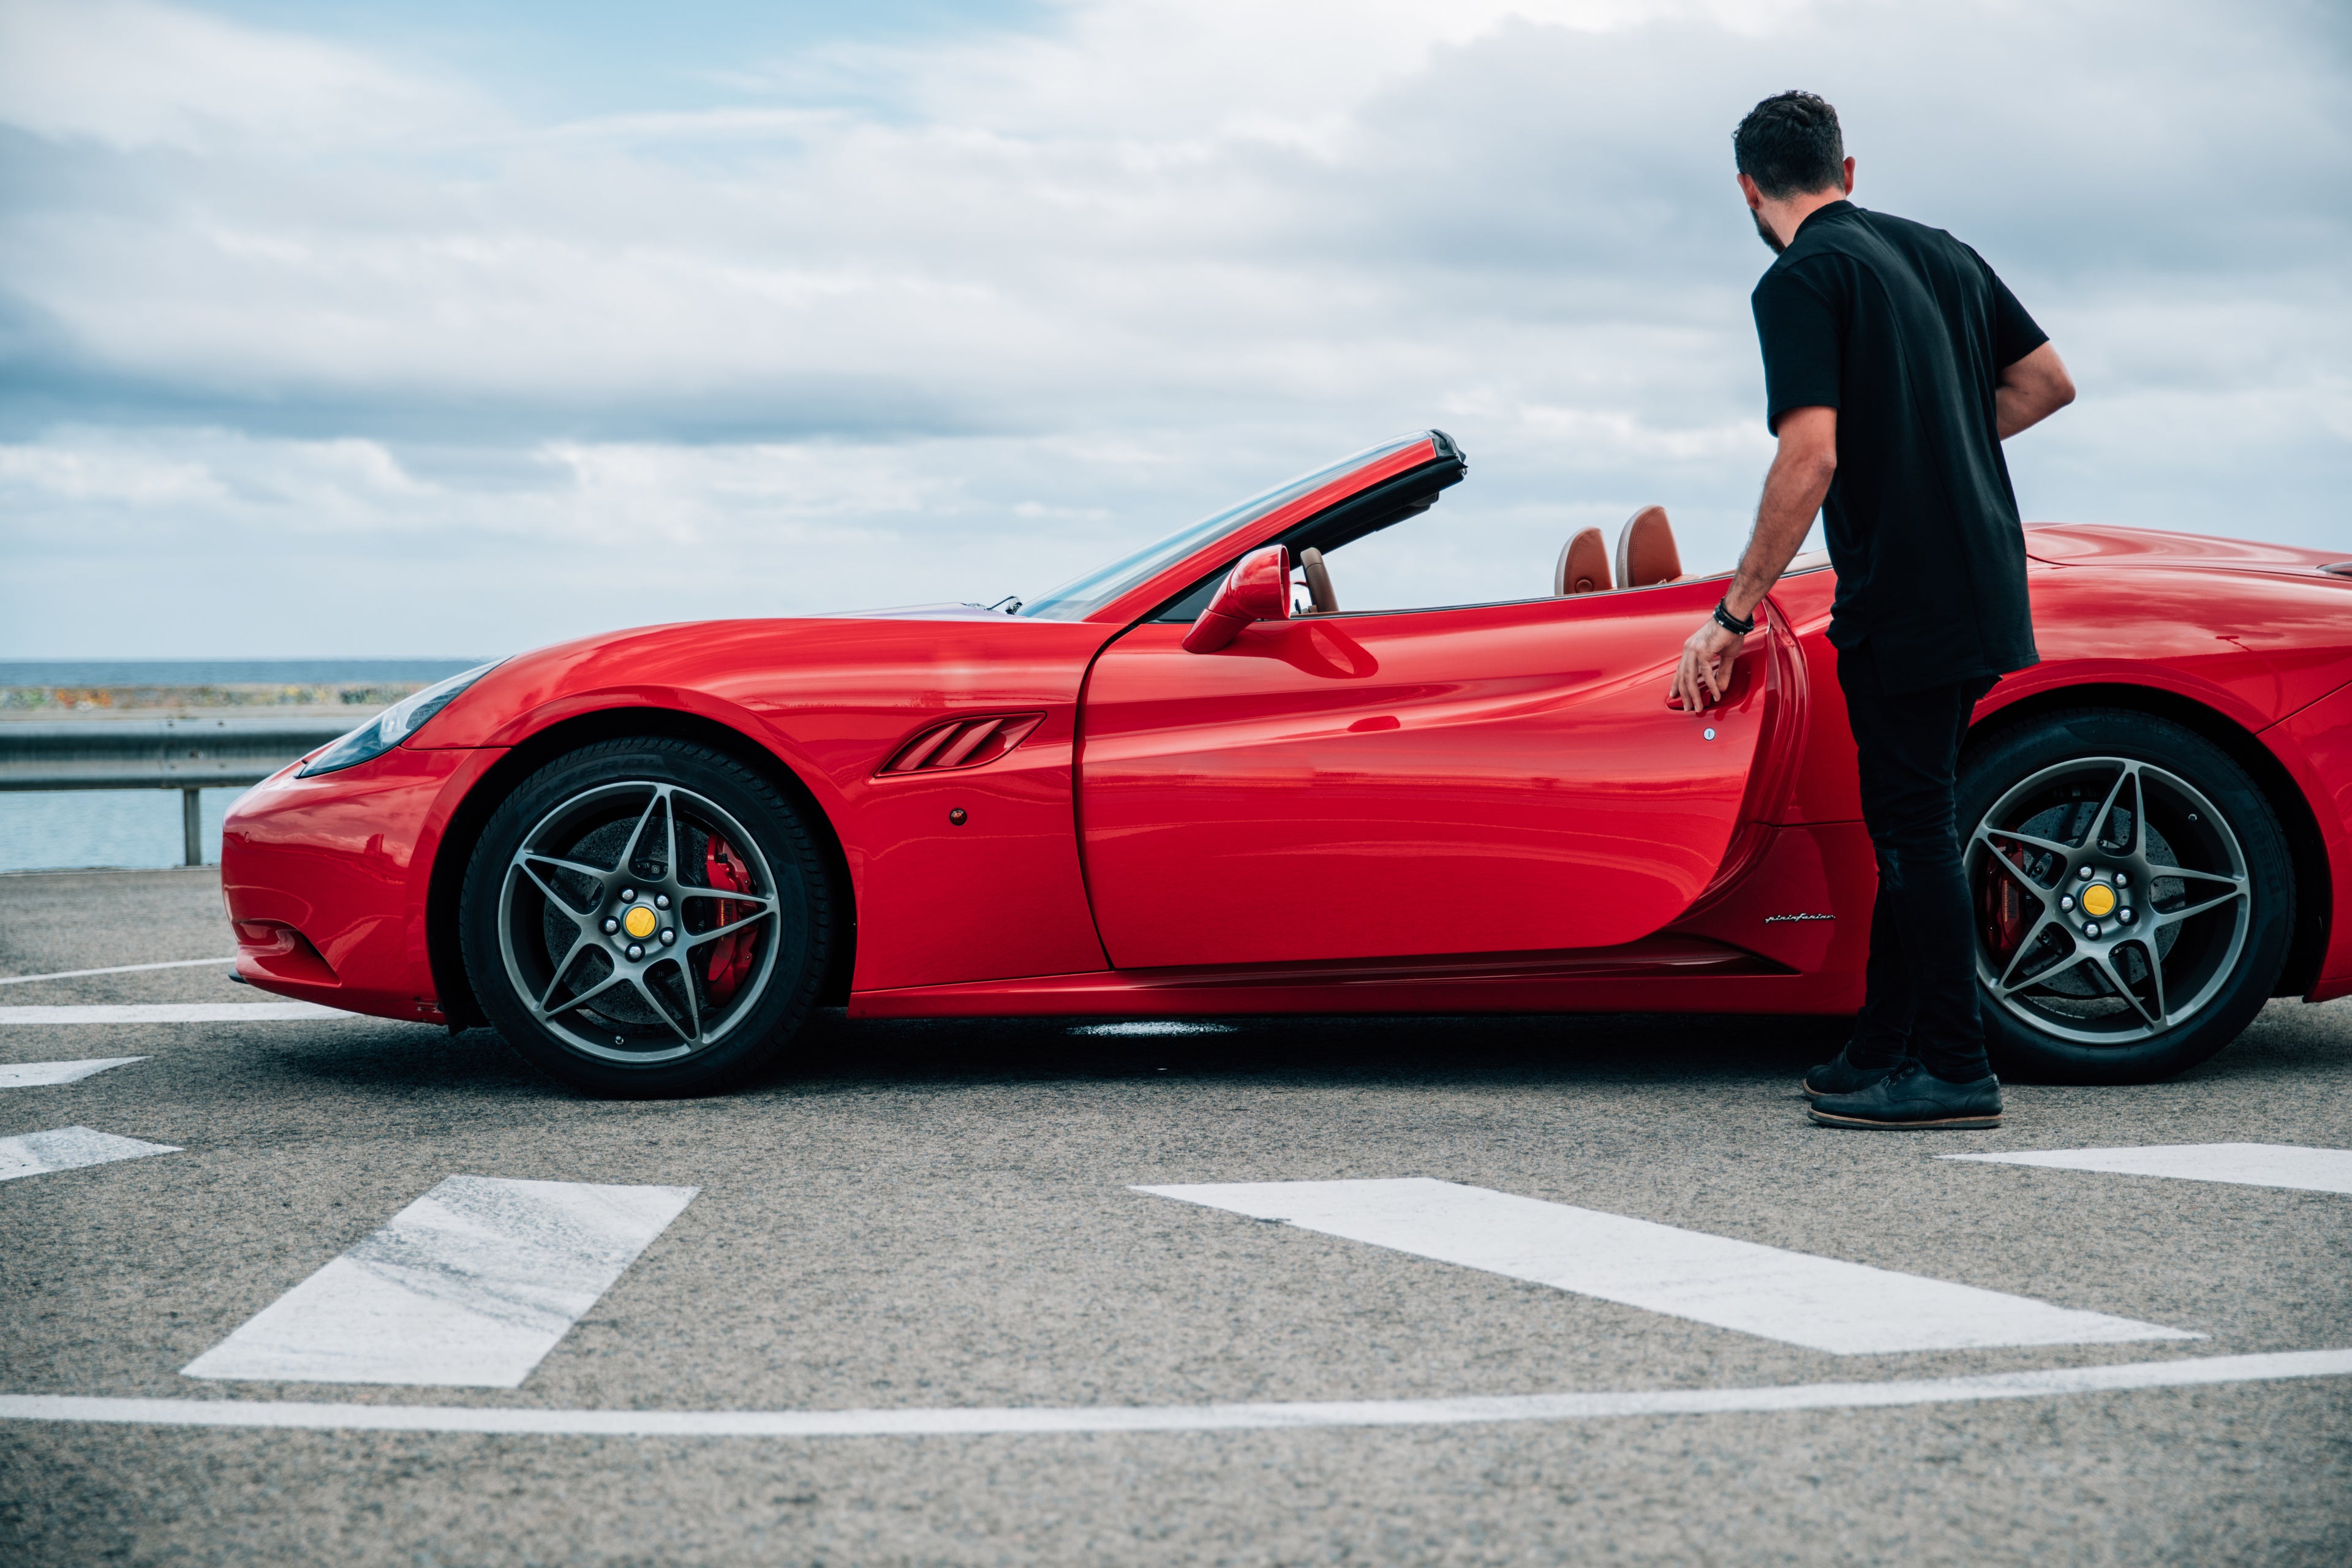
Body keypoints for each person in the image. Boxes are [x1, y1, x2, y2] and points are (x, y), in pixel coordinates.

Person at [1670, 91, 2076, 1130]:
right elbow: (2044, 385)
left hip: (1907, 591)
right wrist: (1939, 439)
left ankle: (1955, 1068)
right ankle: (1880, 1049)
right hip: (1984, 573)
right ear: (1848, 173)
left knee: (1912, 833)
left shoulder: (1801, 278)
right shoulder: (1938, 252)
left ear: (1750, 190)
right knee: (1919, 818)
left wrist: (1731, 612)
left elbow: (1811, 455)